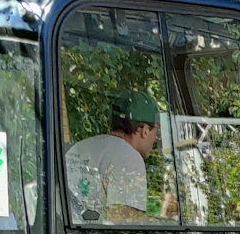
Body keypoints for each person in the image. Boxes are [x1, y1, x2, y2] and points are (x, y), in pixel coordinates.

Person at [65, 90, 166, 223]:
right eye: (156, 132)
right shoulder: (129, 157)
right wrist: (164, 224)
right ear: (145, 130)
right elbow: (124, 222)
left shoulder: (80, 147)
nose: (156, 139)